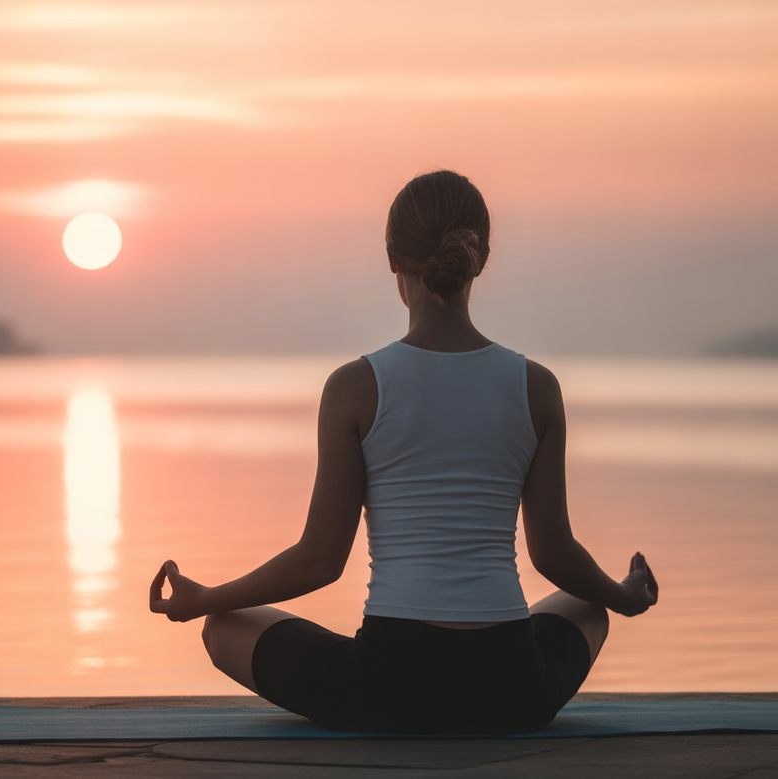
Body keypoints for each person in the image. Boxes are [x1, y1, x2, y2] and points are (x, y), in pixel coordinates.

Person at [149, 170, 658, 734]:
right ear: (481, 259)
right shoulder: (536, 387)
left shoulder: (356, 386)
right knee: (586, 605)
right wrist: (624, 595)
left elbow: (320, 561)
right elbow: (554, 555)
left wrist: (206, 597)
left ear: (393, 260)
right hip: (513, 690)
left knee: (222, 627)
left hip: (385, 688)